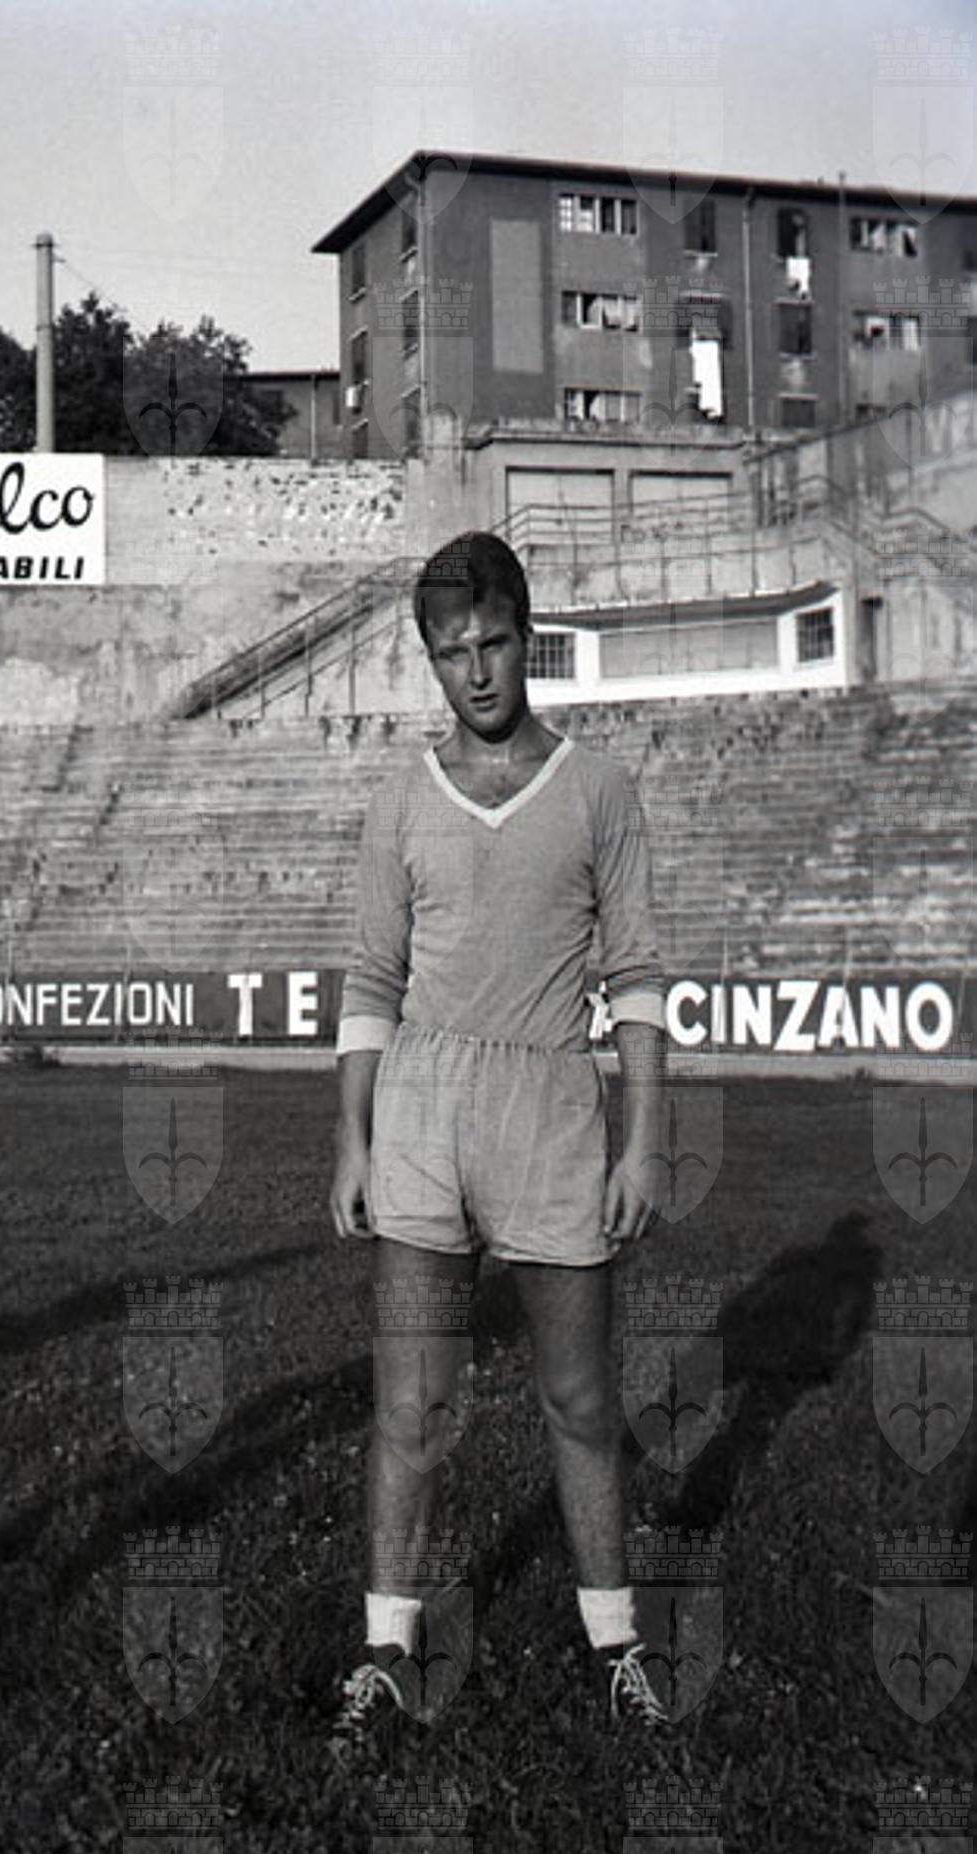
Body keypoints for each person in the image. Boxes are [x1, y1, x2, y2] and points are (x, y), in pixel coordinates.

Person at [327, 532, 672, 1749]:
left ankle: (615, 1641)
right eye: (448, 651)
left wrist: (642, 1140)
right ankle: (383, 1649)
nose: (473, 671)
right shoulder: (398, 798)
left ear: (528, 637)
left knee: (576, 1395)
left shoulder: (594, 789)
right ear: (427, 659)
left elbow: (634, 975)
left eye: (491, 642)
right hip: (421, 1114)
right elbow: (370, 978)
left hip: (549, 1112)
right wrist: (352, 1138)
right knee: (411, 1403)